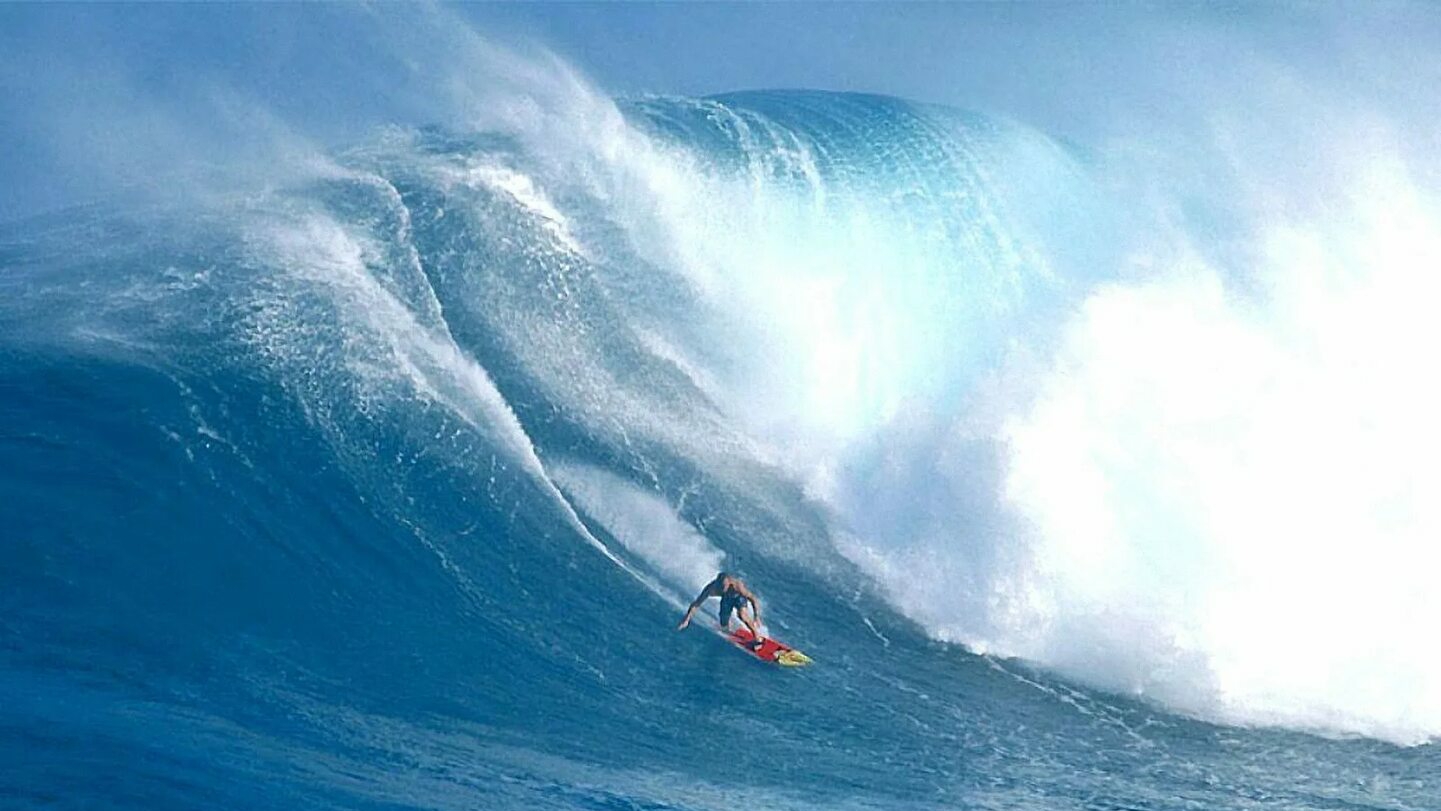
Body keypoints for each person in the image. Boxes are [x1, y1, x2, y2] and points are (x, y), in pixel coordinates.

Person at [676, 571, 764, 646]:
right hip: (726, 599)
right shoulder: (711, 588)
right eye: (721, 587)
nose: (723, 588)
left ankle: (757, 638)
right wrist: (686, 619)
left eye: (725, 586)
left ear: (729, 583)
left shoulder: (737, 586)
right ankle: (730, 627)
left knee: (742, 616)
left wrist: (756, 616)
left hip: (738, 598)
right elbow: (696, 603)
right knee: (724, 627)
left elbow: (753, 599)